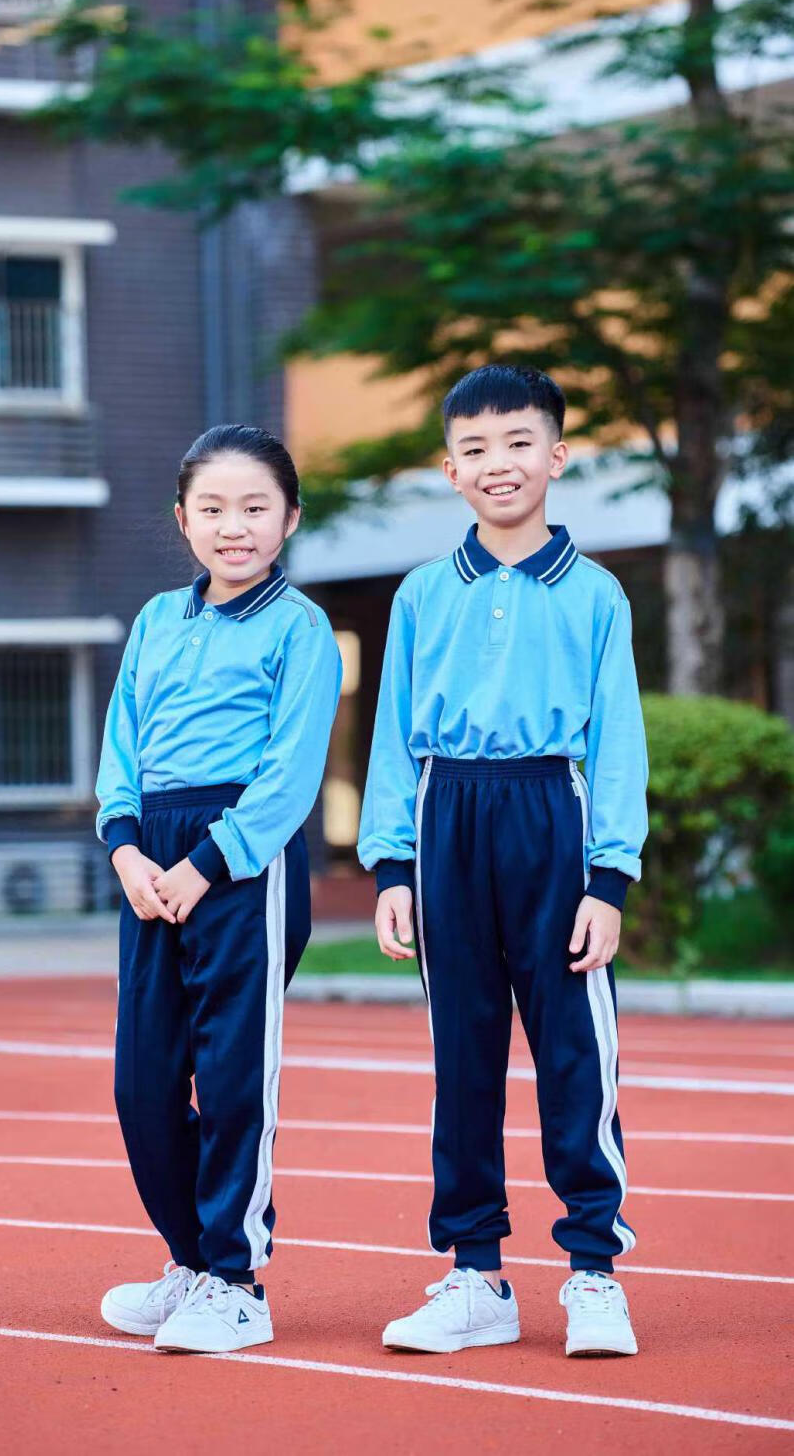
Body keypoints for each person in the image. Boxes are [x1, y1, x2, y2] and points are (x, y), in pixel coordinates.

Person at [358, 364, 648, 1358]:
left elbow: (618, 741)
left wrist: (609, 878)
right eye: (476, 448)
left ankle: (593, 1271)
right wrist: (391, 864)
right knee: (464, 1057)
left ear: (557, 455)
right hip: (449, 820)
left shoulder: (597, 594)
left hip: (551, 820)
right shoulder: (421, 594)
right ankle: (474, 1271)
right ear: (450, 469)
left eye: (519, 442)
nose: (500, 464)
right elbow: (393, 733)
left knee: (573, 1051)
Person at [95, 424, 342, 1355]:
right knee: (142, 1084)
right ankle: (190, 1260)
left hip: (243, 862)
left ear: (289, 518)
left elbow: (290, 772)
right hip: (148, 861)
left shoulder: (301, 627)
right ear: (182, 520)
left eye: (254, 508)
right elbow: (122, 743)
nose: (233, 527)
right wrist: (125, 850)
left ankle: (236, 1282)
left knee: (233, 1078)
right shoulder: (159, 620)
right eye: (213, 510)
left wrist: (208, 862)